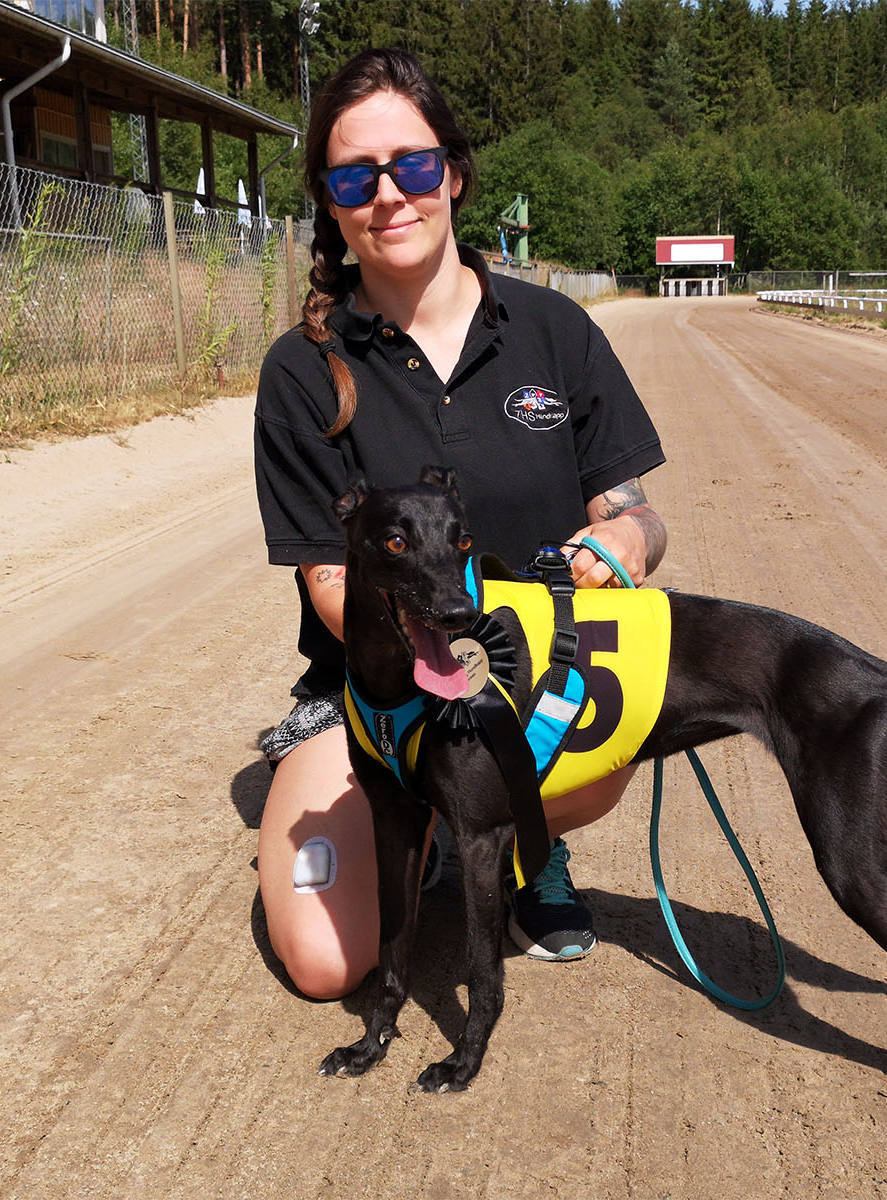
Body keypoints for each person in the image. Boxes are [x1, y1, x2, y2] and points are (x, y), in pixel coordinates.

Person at [252, 48, 668, 1000]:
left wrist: (624, 545)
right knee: (325, 965)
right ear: (329, 197)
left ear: (456, 173)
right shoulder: (301, 372)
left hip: (535, 673)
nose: (388, 195)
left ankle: (527, 845)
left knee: (610, 738)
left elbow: (634, 512)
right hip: (380, 694)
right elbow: (329, 587)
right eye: (355, 175)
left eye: (415, 165)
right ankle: (431, 824)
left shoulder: (554, 332)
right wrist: (440, 654)